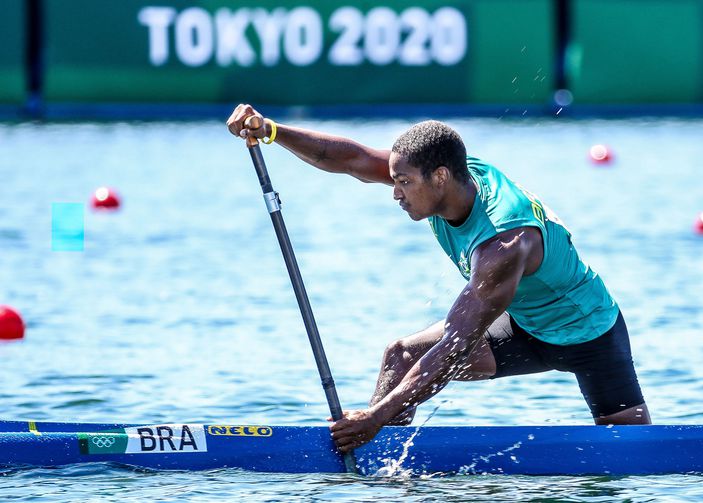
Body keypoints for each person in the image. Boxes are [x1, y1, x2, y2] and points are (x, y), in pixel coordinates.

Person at [227, 104, 651, 454]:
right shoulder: (449, 175)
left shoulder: (503, 244)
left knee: (636, 451)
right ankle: (375, 462)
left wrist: (374, 416)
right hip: (524, 325)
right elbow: (355, 160)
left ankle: (369, 431)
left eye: (404, 183)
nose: (396, 193)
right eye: (395, 180)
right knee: (403, 354)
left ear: (441, 177)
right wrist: (272, 131)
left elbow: (454, 346)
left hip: (591, 335)